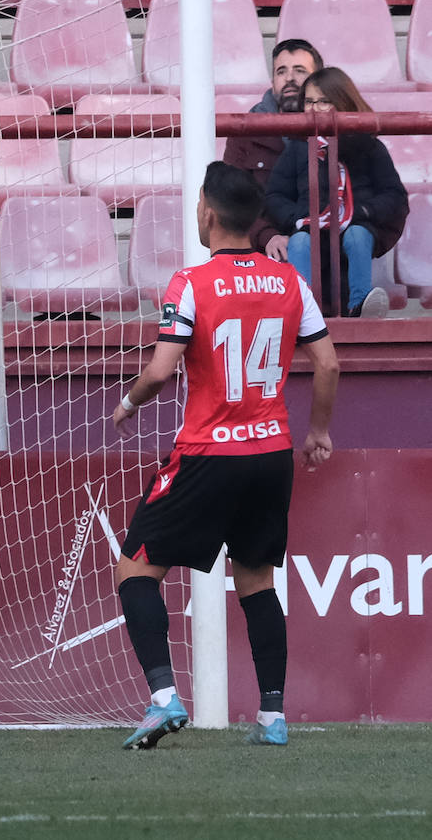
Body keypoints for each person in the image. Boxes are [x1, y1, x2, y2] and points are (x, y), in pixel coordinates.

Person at [111, 160, 340, 750]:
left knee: (136, 567)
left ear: (207, 214)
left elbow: (162, 369)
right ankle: (272, 717)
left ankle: (163, 698)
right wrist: (318, 431)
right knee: (258, 579)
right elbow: (329, 363)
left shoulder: (191, 282)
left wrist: (130, 401)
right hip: (271, 452)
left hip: (209, 452)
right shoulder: (290, 281)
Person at [263, 67, 409, 319]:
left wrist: (364, 211)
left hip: (354, 227)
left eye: (323, 102)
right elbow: (275, 196)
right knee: (298, 241)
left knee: (357, 235)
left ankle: (360, 307)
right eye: (308, 101)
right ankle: (303, 310)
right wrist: (296, 219)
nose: (314, 109)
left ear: (343, 102)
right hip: (310, 228)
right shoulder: (298, 148)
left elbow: (394, 196)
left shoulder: (369, 147)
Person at [223, 38, 324, 259]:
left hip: (326, 256)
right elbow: (231, 201)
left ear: (318, 79)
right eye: (281, 71)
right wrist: (267, 236)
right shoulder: (244, 132)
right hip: (261, 258)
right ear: (272, 80)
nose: (289, 78)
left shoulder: (340, 130)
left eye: (299, 71)